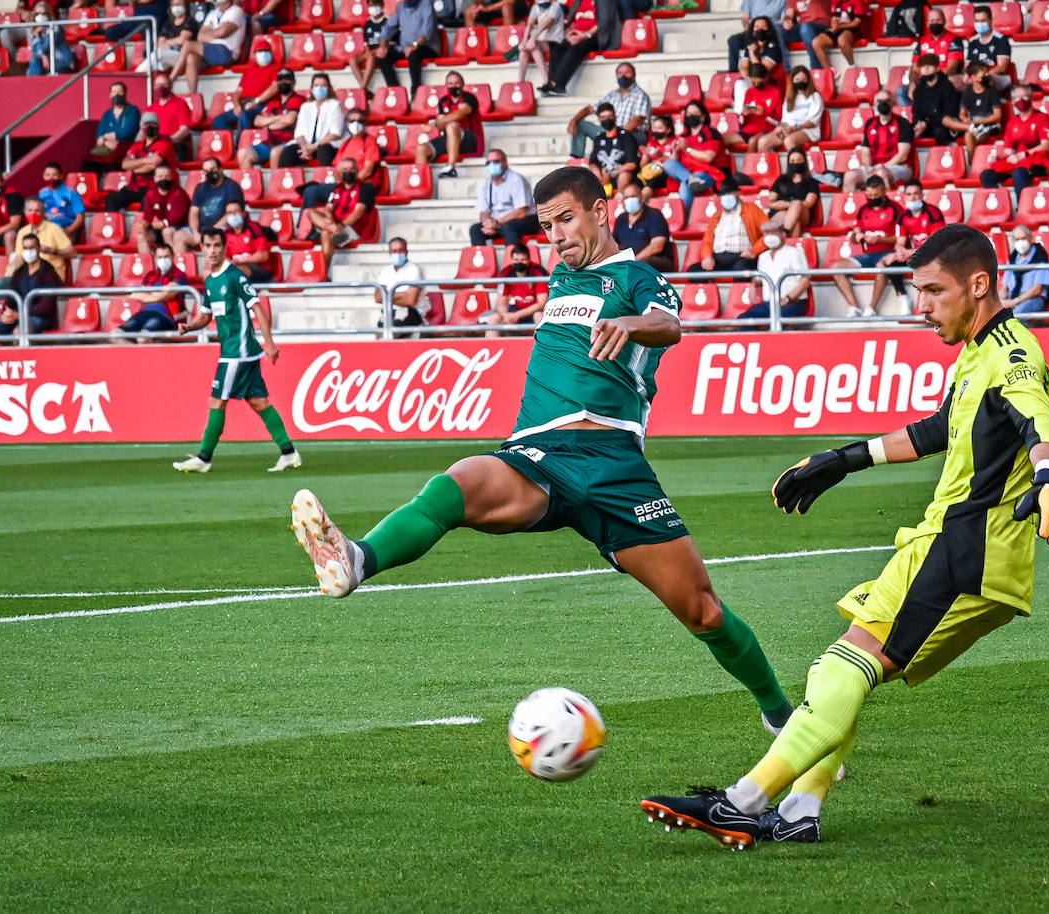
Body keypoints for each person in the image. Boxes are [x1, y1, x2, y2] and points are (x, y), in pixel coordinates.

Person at [290, 165, 796, 741]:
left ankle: (779, 712)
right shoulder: (561, 279)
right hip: (539, 452)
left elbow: (669, 325)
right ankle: (358, 560)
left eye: (566, 220)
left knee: (703, 611)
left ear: (601, 212)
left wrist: (632, 323)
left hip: (615, 466)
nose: (554, 236)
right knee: (457, 483)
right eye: (545, 224)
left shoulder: (636, 277)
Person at [639, 223, 1049, 849]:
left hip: (965, 552)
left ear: (978, 286)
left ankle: (742, 803)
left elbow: (1039, 419)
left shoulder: (1012, 355)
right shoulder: (976, 352)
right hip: (949, 545)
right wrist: (843, 460)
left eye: (933, 292)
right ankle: (799, 810)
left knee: (846, 667)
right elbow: (937, 431)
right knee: (842, 666)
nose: (921, 307)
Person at [173, 228, 299, 474]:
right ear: (201, 248)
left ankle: (204, 457)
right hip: (240, 352)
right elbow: (206, 316)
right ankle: (289, 453)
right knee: (258, 402)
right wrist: (190, 326)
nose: (212, 250)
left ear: (224, 248)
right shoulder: (211, 280)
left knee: (217, 400)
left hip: (236, 352)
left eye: (217, 245)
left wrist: (270, 343)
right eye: (208, 246)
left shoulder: (235, 276)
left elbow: (258, 308)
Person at [832, 174, 907, 316]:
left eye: (876, 195)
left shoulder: (895, 209)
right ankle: (855, 307)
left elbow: (901, 239)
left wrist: (880, 240)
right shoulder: (863, 210)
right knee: (836, 268)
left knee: (882, 266)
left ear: (884, 191)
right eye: (870, 195)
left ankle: (872, 308)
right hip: (868, 255)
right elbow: (854, 236)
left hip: (888, 252)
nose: (873, 198)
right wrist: (857, 236)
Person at [979, 83, 1049, 201]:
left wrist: (1023, 155)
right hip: (1017, 162)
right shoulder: (1012, 122)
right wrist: (997, 156)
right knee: (987, 175)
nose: (1021, 100)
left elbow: (1046, 146)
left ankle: (1022, 207)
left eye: (1024, 96)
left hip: (1037, 162)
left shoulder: (1042, 118)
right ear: (1012, 101)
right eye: (1017, 98)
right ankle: (1000, 207)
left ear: (1031, 97)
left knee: (1018, 173)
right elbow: (1008, 150)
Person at [567, 64, 651, 158]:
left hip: (632, 134)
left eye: (627, 73)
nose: (623, 76)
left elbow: (635, 122)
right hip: (609, 132)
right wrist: (573, 121)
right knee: (580, 124)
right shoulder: (612, 95)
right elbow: (590, 109)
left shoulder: (641, 95)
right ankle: (576, 161)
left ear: (634, 75)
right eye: (620, 73)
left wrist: (615, 136)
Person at [115, 242, 192, 342]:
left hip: (166, 316)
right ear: (156, 258)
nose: (163, 260)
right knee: (115, 334)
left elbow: (167, 293)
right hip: (144, 313)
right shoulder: (151, 275)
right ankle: (134, 356)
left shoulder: (179, 275)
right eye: (160, 257)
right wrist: (159, 297)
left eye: (166, 257)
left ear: (173, 257)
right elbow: (136, 295)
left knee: (143, 338)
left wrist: (148, 295)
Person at [414, 70, 485, 179]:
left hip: (470, 139)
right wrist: (438, 123)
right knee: (421, 149)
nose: (453, 86)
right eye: (450, 84)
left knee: (452, 125)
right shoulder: (443, 100)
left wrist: (434, 123)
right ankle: (421, 183)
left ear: (462, 84)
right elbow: (441, 125)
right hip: (450, 139)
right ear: (446, 85)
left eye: (457, 83)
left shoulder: (469, 98)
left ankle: (451, 167)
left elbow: (459, 114)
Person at [542, 0, 622, 96]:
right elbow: (571, 22)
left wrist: (585, 35)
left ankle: (559, 85)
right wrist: (568, 34)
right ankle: (551, 83)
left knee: (576, 48)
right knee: (557, 48)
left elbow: (604, 23)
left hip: (595, 37)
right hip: (577, 36)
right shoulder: (579, 2)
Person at [311, 157, 377, 273]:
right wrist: (332, 223)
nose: (349, 172)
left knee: (326, 234)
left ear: (357, 170)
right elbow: (328, 208)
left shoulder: (366, 188)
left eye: (352, 169)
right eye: (345, 169)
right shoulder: (337, 188)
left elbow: (358, 213)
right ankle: (334, 231)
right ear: (340, 172)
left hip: (353, 229)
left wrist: (341, 225)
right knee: (311, 212)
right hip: (336, 226)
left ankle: (322, 273)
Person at [841, 89, 915, 192]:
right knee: (849, 176)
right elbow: (865, 152)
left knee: (881, 174)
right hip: (875, 167)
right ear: (874, 104)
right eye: (879, 101)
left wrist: (882, 167)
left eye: (887, 100)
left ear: (892, 103)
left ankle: (887, 206)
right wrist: (869, 168)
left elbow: (903, 155)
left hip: (899, 167)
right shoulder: (870, 123)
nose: (883, 103)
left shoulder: (902, 123)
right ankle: (857, 207)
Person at [688, 179, 766, 273]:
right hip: (718, 258)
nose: (726, 197)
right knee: (694, 270)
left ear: (738, 193)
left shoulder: (752, 210)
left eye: (729, 193)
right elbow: (707, 241)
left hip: (742, 257)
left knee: (742, 268)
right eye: (723, 195)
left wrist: (754, 250)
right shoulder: (717, 216)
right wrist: (707, 256)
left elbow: (768, 233)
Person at [208, 37, 284, 132]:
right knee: (219, 121)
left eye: (266, 51)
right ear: (255, 54)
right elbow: (238, 91)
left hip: (263, 104)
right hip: (243, 103)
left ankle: (242, 144)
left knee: (244, 117)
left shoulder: (277, 67)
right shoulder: (249, 70)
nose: (263, 54)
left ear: (271, 52)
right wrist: (237, 105)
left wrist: (256, 102)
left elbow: (274, 88)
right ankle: (229, 145)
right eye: (260, 51)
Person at [234, 67, 305, 169]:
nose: (283, 81)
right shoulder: (273, 101)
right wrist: (280, 118)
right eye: (280, 78)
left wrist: (269, 122)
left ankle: (275, 184)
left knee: (275, 153)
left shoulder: (299, 99)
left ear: (294, 81)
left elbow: (290, 120)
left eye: (287, 78)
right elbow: (257, 121)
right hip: (270, 143)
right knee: (243, 153)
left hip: (289, 143)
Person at [664, 100, 729, 212]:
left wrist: (687, 149)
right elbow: (674, 162)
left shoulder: (710, 133)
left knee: (686, 185)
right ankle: (691, 180)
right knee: (668, 164)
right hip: (687, 173)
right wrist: (676, 149)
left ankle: (684, 215)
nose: (691, 116)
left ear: (703, 117)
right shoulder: (683, 136)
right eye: (688, 114)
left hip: (708, 174)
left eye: (694, 113)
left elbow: (708, 157)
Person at [170, 0, 247, 94]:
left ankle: (171, 80)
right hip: (211, 50)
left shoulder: (236, 11)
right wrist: (216, 34)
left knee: (188, 45)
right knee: (191, 56)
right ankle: (192, 94)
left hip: (228, 52)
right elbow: (200, 36)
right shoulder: (213, 13)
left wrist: (210, 32)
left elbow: (223, 32)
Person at [877, 178, 944, 286]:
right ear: (904, 197)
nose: (912, 198)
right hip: (916, 254)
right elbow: (900, 241)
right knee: (891, 262)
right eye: (909, 194)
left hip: (934, 256)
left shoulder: (933, 213)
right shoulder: (902, 217)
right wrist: (899, 251)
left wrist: (910, 252)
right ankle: (902, 296)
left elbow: (936, 245)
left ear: (922, 195)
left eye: (916, 194)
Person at [106, 114, 178, 213]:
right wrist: (145, 160)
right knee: (112, 199)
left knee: (148, 202)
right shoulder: (137, 145)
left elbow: (153, 165)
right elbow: (125, 165)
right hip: (135, 187)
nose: (150, 127)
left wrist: (134, 166)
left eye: (153, 124)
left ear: (158, 126)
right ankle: (115, 227)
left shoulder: (165, 141)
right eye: (147, 124)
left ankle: (142, 228)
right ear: (141, 127)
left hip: (155, 188)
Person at [469, 150, 539, 245]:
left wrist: (497, 223)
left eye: (496, 161)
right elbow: (484, 212)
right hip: (498, 223)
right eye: (489, 162)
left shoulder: (516, 180)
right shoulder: (487, 183)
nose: (492, 165)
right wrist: (488, 223)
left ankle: (514, 258)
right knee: (475, 229)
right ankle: (482, 258)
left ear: (505, 162)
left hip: (522, 221)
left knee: (508, 227)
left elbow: (521, 211)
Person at [0, 235, 62, 337]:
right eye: (25, 248)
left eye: (32, 247)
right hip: (17, 315)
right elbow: (11, 298)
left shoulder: (49, 272)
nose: (28, 251)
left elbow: (46, 307)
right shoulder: (19, 272)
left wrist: (19, 315)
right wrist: (7, 314)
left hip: (41, 318)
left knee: (19, 332)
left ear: (38, 248)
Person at [276, 74, 344, 168]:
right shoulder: (306, 107)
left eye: (323, 86)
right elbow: (299, 132)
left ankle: (326, 181)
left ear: (328, 88)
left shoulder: (335, 105)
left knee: (324, 151)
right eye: (316, 85)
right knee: (288, 153)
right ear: (311, 89)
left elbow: (335, 133)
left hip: (325, 145)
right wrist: (304, 147)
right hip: (306, 145)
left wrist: (314, 147)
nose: (319, 88)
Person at [744, 227, 811, 319]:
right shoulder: (763, 256)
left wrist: (788, 298)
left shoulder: (794, 252)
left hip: (792, 303)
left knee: (776, 320)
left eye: (773, 232)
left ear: (783, 235)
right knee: (745, 320)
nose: (769, 236)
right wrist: (753, 284)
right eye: (767, 233)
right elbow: (759, 279)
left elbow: (805, 281)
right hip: (769, 304)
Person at [483, 242, 549, 335]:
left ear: (529, 259)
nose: (519, 263)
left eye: (523, 259)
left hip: (534, 311)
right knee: (494, 318)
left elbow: (541, 303)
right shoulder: (506, 273)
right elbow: (501, 303)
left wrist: (517, 315)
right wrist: (506, 316)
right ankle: (492, 349)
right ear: (511, 260)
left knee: (539, 316)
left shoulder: (538, 272)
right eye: (516, 259)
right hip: (515, 309)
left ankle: (539, 348)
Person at [754, 65, 824, 153]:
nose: (800, 82)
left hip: (807, 131)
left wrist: (795, 128)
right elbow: (785, 119)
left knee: (789, 140)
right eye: (797, 79)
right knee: (763, 142)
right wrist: (782, 128)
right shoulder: (789, 98)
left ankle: (796, 165)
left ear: (808, 80)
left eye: (803, 79)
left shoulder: (815, 97)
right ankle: (772, 166)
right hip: (788, 130)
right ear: (792, 81)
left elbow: (813, 122)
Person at [378, 0, 439, 92]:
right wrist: (383, 46)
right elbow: (389, 27)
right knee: (383, 57)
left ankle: (416, 92)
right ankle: (395, 90)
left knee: (414, 55)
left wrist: (414, 45)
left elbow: (427, 31)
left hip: (427, 47)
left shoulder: (427, 4)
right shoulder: (401, 5)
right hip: (405, 48)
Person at [612, 183, 674, 273]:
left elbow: (657, 246)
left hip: (654, 262)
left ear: (641, 197)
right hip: (629, 264)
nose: (630, 200)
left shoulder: (654, 215)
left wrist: (634, 261)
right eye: (626, 198)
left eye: (633, 196)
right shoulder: (620, 219)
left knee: (642, 265)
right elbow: (614, 245)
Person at [724, 63, 784, 152]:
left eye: (758, 82)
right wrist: (744, 114)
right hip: (749, 129)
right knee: (722, 138)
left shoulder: (775, 93)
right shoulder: (750, 92)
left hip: (766, 129)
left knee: (753, 141)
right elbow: (742, 122)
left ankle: (750, 165)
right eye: (753, 82)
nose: (756, 85)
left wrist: (764, 114)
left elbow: (779, 120)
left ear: (765, 78)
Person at [134, 164, 193, 254]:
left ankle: (173, 261)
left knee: (167, 231)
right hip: (161, 228)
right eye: (160, 176)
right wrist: (143, 226)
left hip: (180, 227)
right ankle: (150, 264)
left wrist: (154, 225)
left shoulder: (179, 194)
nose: (164, 179)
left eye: (167, 176)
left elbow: (174, 219)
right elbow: (147, 217)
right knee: (142, 237)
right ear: (155, 178)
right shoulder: (151, 194)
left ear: (171, 178)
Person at [186, 158, 244, 248]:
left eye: (212, 169)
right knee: (179, 236)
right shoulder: (200, 188)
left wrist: (213, 229)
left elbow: (232, 212)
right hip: (201, 230)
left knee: (213, 238)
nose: (209, 173)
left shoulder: (231, 186)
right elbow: (193, 213)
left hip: (222, 227)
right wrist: (195, 232)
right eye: (206, 171)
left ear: (221, 169)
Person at [947, 62, 1002, 156]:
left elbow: (997, 116)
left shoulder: (992, 91)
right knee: (946, 120)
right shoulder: (967, 91)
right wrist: (966, 120)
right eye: (984, 73)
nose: (987, 75)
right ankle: (971, 128)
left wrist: (980, 122)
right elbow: (962, 114)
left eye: (987, 72)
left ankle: (973, 166)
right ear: (973, 77)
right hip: (973, 124)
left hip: (989, 125)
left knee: (968, 135)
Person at [12, 198, 75, 282]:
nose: (33, 214)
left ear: (44, 213)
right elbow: (19, 257)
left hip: (52, 275)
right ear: (25, 212)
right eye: (30, 210)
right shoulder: (23, 232)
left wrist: (53, 251)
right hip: (28, 275)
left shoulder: (54, 229)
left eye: (37, 211)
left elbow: (72, 253)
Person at [763, 148, 821, 237]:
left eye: (799, 160)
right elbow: (770, 202)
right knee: (795, 222)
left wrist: (791, 205)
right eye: (792, 161)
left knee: (797, 204)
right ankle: (789, 244)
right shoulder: (781, 179)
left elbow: (808, 204)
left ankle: (785, 233)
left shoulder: (812, 182)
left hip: (802, 213)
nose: (796, 163)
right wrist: (789, 205)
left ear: (804, 161)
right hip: (781, 212)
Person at [86, 82, 142, 171]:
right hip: (107, 148)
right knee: (88, 162)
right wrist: (106, 142)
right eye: (114, 92)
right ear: (110, 95)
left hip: (126, 148)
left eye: (119, 92)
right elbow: (99, 135)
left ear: (125, 94)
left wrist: (107, 137)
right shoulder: (107, 114)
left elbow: (127, 133)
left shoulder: (132, 110)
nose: (116, 95)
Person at [588, 102, 640, 194]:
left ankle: (619, 199)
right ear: (599, 119)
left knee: (625, 174)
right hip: (604, 176)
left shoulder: (626, 136)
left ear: (615, 117)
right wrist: (597, 173)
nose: (607, 119)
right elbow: (593, 161)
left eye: (609, 116)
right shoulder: (599, 138)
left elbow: (632, 164)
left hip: (622, 175)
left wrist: (611, 174)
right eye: (603, 117)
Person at [909, 53, 962, 144]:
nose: (926, 69)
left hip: (943, 125)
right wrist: (919, 123)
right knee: (907, 130)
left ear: (937, 68)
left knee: (939, 132)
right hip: (925, 125)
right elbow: (916, 110)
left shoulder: (947, 86)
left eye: (929, 66)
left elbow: (949, 113)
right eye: (923, 66)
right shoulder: (919, 88)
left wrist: (927, 124)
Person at [144, 73, 196, 163]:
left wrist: (166, 141)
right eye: (157, 85)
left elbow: (184, 130)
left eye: (164, 84)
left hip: (174, 145)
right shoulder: (152, 107)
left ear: (170, 86)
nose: (160, 87)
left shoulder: (180, 104)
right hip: (155, 146)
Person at [1002, 224, 1049, 316]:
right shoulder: (1013, 258)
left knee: (1015, 315)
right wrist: (998, 301)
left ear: (1030, 238)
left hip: (1033, 299)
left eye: (1023, 238)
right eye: (1017, 239)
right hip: (1013, 297)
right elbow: (1005, 287)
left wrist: (1015, 301)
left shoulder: (1040, 257)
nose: (1020, 242)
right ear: (1013, 241)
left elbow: (1037, 289)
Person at [375, 236, 426, 327]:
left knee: (395, 328)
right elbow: (378, 297)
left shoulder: (414, 270)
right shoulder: (385, 271)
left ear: (406, 252)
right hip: (389, 311)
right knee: (380, 332)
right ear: (390, 253)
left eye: (400, 250)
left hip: (410, 312)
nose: (397, 254)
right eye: (394, 251)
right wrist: (403, 295)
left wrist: (387, 296)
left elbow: (410, 300)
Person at [728, 0, 788, 73]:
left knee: (778, 32)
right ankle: (733, 72)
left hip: (774, 27)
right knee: (734, 39)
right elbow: (745, 18)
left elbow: (784, 19)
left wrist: (752, 55)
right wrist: (749, 29)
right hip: (754, 26)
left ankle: (786, 67)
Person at [223, 200, 275, 282]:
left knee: (237, 269)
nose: (233, 215)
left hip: (261, 270)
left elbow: (263, 255)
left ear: (243, 213)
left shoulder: (254, 229)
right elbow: (224, 257)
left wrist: (240, 261)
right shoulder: (226, 233)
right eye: (229, 212)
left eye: (236, 211)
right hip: (237, 269)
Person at [964, 4, 1012, 91]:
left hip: (999, 77)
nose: (980, 24)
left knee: (988, 80)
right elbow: (967, 65)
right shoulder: (973, 41)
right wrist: (968, 75)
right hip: (977, 77)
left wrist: (983, 75)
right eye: (977, 21)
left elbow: (1002, 67)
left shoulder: (1001, 39)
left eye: (983, 20)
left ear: (990, 20)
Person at [143, 1, 198, 74]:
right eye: (174, 5)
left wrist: (166, 42)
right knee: (159, 65)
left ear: (186, 6)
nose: (176, 7)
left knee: (159, 54)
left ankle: (137, 74)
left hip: (183, 55)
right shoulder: (168, 24)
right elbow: (159, 43)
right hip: (168, 55)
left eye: (179, 4)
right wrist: (173, 41)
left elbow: (182, 41)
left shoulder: (190, 21)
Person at [519, 0, 563, 88]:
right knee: (524, 50)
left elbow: (548, 22)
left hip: (555, 40)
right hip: (541, 40)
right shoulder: (535, 7)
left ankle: (546, 80)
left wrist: (533, 37)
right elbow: (529, 25)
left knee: (533, 45)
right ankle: (520, 81)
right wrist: (524, 41)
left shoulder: (556, 6)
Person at [36, 162, 85, 241]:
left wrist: (68, 231)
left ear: (61, 176)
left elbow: (80, 219)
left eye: (54, 175)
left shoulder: (71, 193)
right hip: (48, 230)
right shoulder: (42, 194)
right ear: (43, 176)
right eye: (48, 175)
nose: (51, 178)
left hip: (67, 229)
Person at [348, 0, 388, 90]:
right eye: (370, 6)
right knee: (352, 60)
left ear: (381, 5)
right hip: (370, 50)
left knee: (370, 57)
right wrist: (368, 51)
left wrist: (374, 51)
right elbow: (366, 41)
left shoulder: (387, 21)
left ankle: (362, 88)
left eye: (375, 5)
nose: (373, 8)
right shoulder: (368, 23)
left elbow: (389, 42)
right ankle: (363, 86)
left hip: (382, 50)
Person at [780, 0, 831, 72]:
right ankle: (786, 70)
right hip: (803, 29)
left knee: (805, 28)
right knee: (778, 30)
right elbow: (789, 14)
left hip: (822, 25)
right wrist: (787, 21)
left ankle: (815, 67)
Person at [637, 115, 677, 203]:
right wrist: (646, 156)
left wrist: (661, 155)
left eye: (659, 128)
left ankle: (641, 203)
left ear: (668, 130)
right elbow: (642, 166)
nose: (656, 130)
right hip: (650, 172)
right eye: (654, 128)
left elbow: (676, 163)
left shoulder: (674, 142)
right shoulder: (651, 143)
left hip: (666, 174)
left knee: (653, 180)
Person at [27, 4, 75, 76]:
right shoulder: (34, 31)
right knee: (31, 68)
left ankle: (34, 84)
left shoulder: (55, 28)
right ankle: (34, 84)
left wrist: (37, 37)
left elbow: (47, 46)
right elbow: (34, 51)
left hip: (63, 61)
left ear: (49, 15)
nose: (40, 16)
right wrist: (42, 55)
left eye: (43, 14)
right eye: (37, 14)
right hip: (47, 62)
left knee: (35, 64)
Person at [738, 15, 784, 79]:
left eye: (763, 27)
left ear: (768, 30)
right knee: (740, 83)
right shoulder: (748, 45)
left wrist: (752, 54)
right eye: (757, 27)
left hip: (769, 81)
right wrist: (748, 78)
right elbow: (743, 67)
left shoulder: (773, 48)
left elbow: (761, 72)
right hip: (751, 80)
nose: (760, 29)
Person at [0, 172, 23, 253]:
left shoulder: (12, 196)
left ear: (3, 182)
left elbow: (15, 224)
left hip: (15, 232)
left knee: (9, 236)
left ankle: (9, 264)